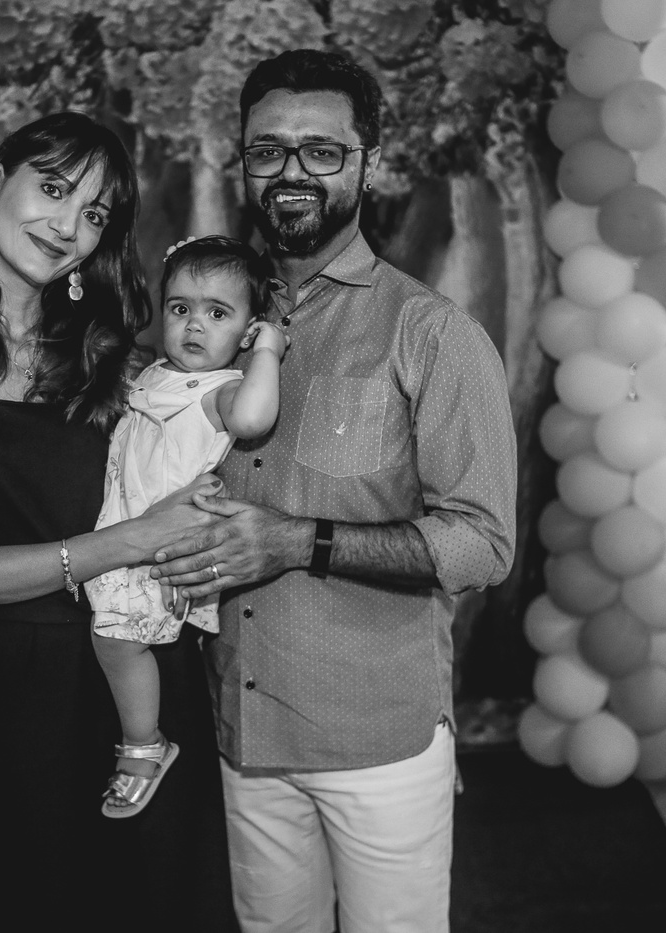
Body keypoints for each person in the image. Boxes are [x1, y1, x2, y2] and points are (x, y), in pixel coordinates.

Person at [152, 50, 518, 933]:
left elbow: (482, 543)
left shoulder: (430, 332)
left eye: (321, 151)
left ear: (368, 163)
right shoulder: (205, 325)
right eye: (268, 150)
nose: (292, 172)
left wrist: (294, 538)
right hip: (244, 731)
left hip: (376, 741)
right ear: (242, 164)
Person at [0, 111, 237, 932]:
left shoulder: (120, 361)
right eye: (55, 188)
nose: (68, 225)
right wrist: (129, 540)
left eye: (94, 213)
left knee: (165, 906)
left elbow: (204, 473)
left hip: (147, 684)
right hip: (24, 694)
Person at [87, 235, 287, 818]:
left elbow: (253, 419)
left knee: (115, 640)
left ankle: (145, 744)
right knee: (112, 637)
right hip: (128, 536)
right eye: (180, 308)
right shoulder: (155, 373)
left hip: (162, 548)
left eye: (218, 314)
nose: (194, 325)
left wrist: (268, 351)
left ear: (247, 331)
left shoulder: (223, 391)